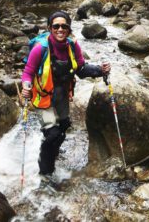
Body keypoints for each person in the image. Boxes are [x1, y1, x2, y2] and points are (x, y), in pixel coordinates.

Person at [21, 11, 111, 179]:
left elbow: (82, 69)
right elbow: (28, 73)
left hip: (62, 96)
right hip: (43, 98)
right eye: (56, 26)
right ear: (49, 28)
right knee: (53, 134)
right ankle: (45, 173)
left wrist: (101, 70)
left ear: (69, 29)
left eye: (64, 26)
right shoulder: (40, 48)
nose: (60, 29)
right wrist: (26, 86)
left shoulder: (73, 46)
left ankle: (52, 151)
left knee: (63, 127)